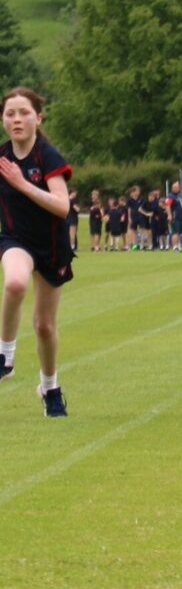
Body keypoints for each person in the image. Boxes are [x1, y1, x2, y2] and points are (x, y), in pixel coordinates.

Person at [0, 87, 73, 417]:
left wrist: (23, 184)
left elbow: (62, 207)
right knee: (14, 283)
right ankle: (6, 355)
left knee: (44, 326)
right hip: (15, 240)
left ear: (38, 117)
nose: (17, 119)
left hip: (52, 248)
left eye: (24, 113)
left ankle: (50, 387)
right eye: (10, 114)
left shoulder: (48, 157)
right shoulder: (2, 158)